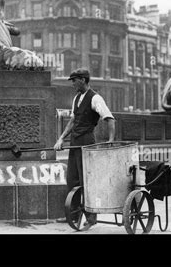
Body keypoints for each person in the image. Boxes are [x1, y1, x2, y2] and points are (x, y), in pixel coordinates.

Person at [54, 68, 115, 227]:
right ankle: (73, 215)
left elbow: (109, 118)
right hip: (75, 142)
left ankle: (91, 218)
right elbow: (73, 121)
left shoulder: (95, 98)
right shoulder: (76, 98)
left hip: (87, 142)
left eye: (74, 80)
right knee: (72, 180)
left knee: (86, 180)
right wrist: (61, 139)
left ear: (83, 79)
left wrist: (110, 140)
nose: (73, 83)